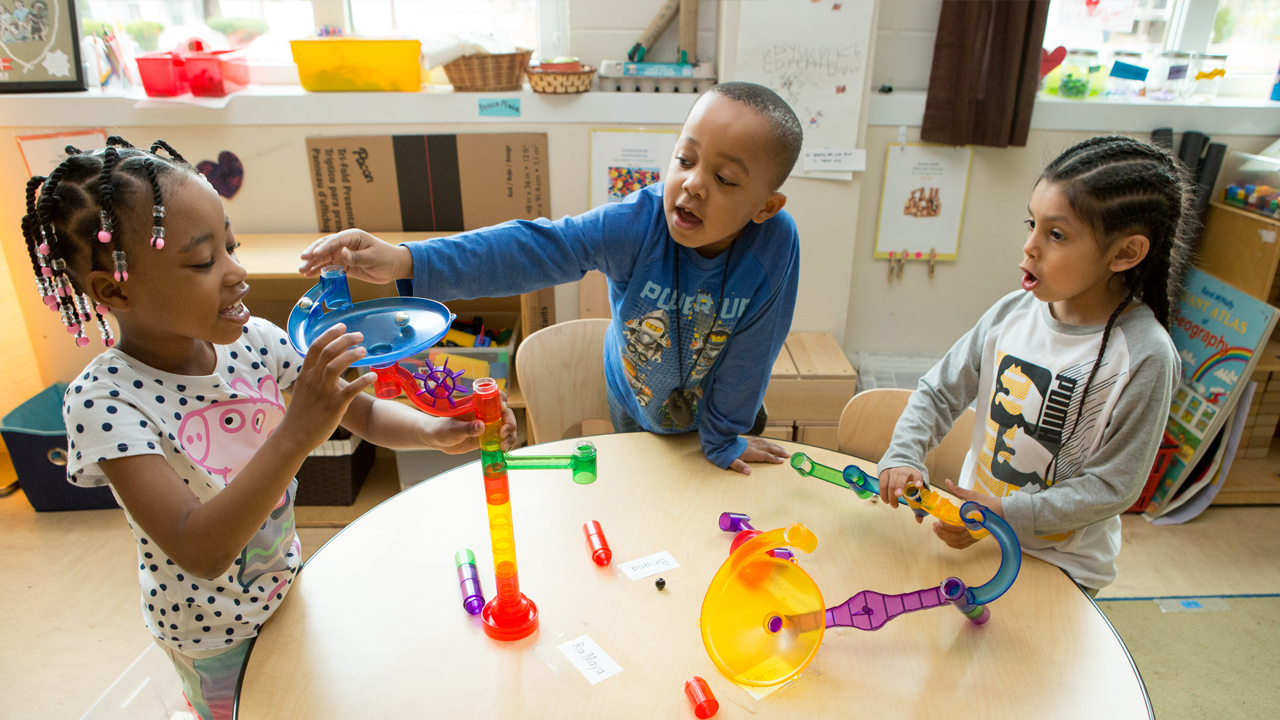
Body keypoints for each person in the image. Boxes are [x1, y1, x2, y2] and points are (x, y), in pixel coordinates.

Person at [20, 136, 515, 720]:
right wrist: (297, 432)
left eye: (231, 247)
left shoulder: (257, 341)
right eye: (203, 261)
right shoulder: (105, 402)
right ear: (114, 290)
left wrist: (432, 431)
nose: (236, 273)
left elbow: (364, 412)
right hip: (211, 637)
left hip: (286, 584)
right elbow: (198, 547)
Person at [298, 82, 803, 475]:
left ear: (765, 206)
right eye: (684, 159)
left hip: (725, 418)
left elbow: (756, 347)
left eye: (725, 179)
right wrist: (407, 260)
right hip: (637, 408)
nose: (692, 184)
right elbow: (533, 247)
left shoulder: (776, 243)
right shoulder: (634, 224)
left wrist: (723, 437)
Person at [877, 136, 1192, 595]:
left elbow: (1112, 486)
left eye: (1056, 234)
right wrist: (905, 454)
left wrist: (1005, 514)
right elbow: (938, 392)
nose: (1028, 248)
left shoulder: (1146, 355)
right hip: (977, 535)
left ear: (1125, 254)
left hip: (1063, 566)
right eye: (1032, 223)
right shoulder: (1012, 313)